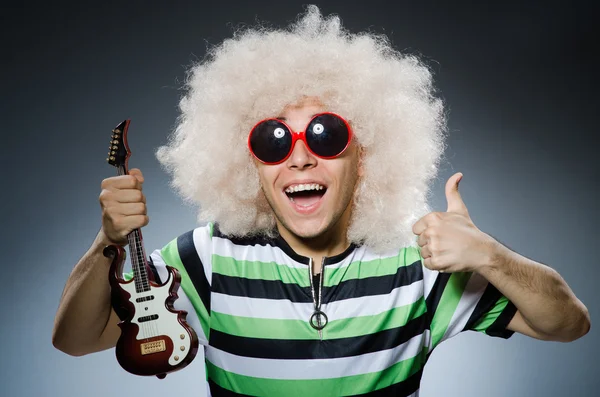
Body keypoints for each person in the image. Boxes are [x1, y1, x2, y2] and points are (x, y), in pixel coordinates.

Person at [52, 5, 590, 396]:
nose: (301, 159)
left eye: (326, 134)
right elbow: (77, 341)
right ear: (250, 165)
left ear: (365, 154)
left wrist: (490, 255)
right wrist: (109, 242)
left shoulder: (420, 264)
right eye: (273, 140)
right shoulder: (208, 258)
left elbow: (567, 324)